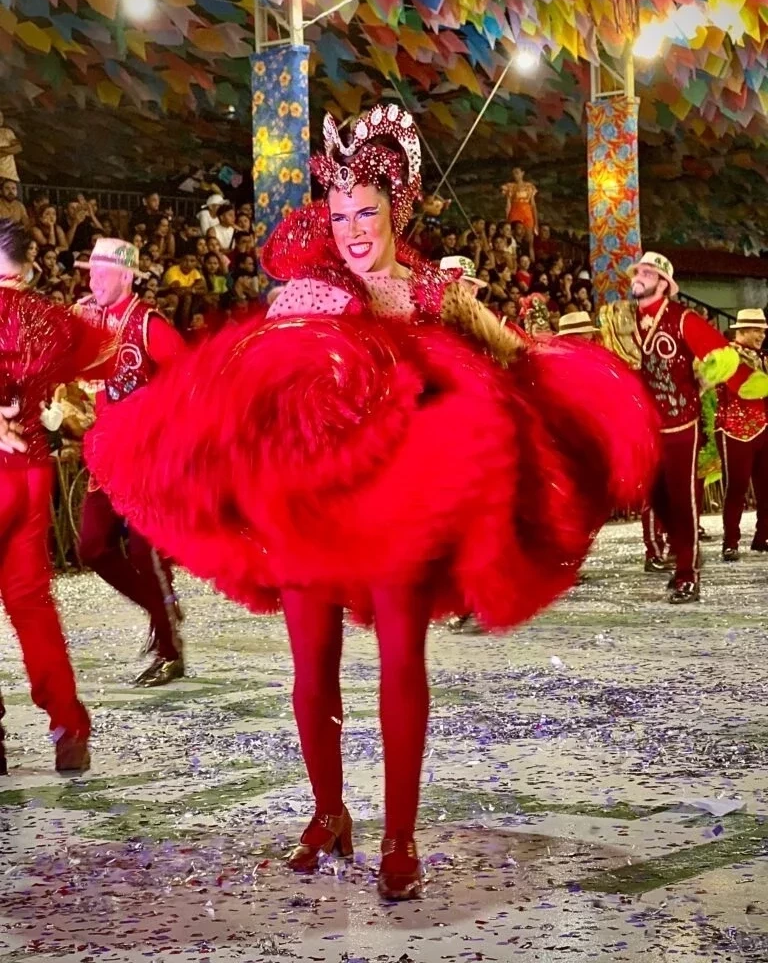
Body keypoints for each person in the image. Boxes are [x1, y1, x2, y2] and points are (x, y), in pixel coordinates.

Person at [84, 104, 658, 901]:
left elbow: (510, 352)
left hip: (399, 505)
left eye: (369, 213)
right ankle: (328, 815)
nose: (354, 229)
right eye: (343, 213)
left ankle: (398, 836)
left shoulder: (432, 290)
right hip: (306, 508)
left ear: (399, 211)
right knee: (310, 669)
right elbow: (247, 385)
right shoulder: (302, 295)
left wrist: (558, 392)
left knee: (399, 664)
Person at [0, 219, 110, 775]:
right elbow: (106, 352)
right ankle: (69, 728)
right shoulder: (50, 316)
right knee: (33, 606)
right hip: (32, 474)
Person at [600, 252, 766, 602]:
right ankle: (682, 550)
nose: (638, 277)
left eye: (647, 273)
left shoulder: (682, 319)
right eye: (638, 272)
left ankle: (687, 574)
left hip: (679, 424)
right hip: (645, 425)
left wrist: (721, 381)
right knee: (656, 498)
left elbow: (722, 355)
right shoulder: (624, 321)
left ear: (663, 284)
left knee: (683, 497)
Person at [74, 239, 187, 687]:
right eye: (90, 272)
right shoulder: (92, 319)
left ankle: (169, 647)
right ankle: (161, 607)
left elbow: (188, 382)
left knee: (144, 551)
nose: (92, 280)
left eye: (100, 273)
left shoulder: (150, 325)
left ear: (125, 276)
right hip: (106, 454)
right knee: (92, 547)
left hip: (146, 457)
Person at [715, 309, 768, 560]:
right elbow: (744, 387)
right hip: (733, 429)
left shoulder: (763, 358)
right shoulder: (727, 356)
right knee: (736, 487)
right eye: (757, 330)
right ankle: (730, 542)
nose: (762, 335)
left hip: (763, 427)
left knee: (766, 486)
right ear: (742, 331)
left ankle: (762, 537)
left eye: (763, 330)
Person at [502, 167, 537, 248]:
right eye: (514, 173)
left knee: (529, 238)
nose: (515, 175)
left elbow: (533, 205)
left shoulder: (530, 186)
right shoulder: (510, 186)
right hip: (515, 211)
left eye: (517, 173)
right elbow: (508, 204)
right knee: (513, 236)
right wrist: (507, 219)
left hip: (527, 212)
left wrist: (536, 222)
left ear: (522, 173)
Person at [0, 112, 21, 183]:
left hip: (10, 176)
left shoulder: (8, 132)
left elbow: (18, 148)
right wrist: (9, 150)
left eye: (1, 117)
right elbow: (14, 149)